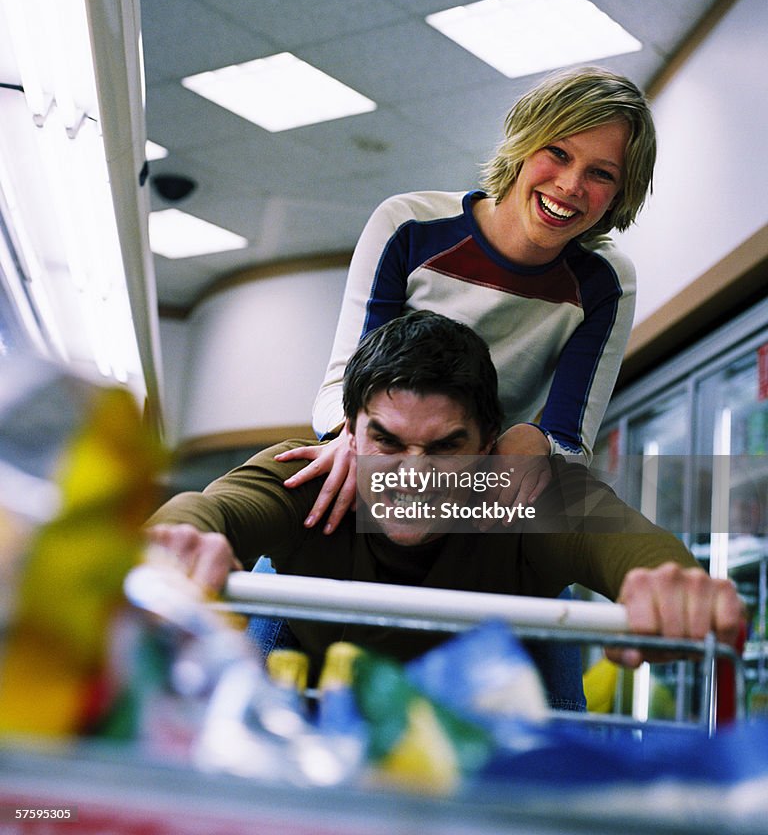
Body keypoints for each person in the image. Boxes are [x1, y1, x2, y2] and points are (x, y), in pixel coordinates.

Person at [146, 312, 742, 687]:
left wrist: (671, 587)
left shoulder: (525, 495)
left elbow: (639, 550)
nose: (413, 474)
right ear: (349, 433)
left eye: (445, 446)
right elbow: (210, 510)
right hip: (317, 666)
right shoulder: (313, 478)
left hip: (494, 681)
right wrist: (179, 539)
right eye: (386, 440)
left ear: (489, 444)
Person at [277, 66, 657, 535]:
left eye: (600, 174)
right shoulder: (407, 226)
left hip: (479, 493)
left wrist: (537, 443)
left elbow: (571, 445)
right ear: (522, 143)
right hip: (374, 471)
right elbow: (339, 390)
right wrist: (352, 436)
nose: (570, 185)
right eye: (557, 153)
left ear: (620, 194)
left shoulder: (607, 281)